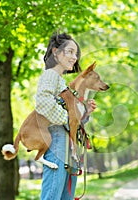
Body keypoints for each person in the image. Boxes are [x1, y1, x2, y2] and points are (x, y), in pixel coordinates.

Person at [35, 32, 96, 200]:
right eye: (69, 52)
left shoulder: (61, 82)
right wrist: (70, 118)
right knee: (52, 195)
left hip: (69, 147)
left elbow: (72, 118)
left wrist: (84, 113)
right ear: (56, 52)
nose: (74, 57)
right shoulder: (50, 75)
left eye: (75, 53)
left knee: (66, 197)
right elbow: (43, 104)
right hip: (57, 144)